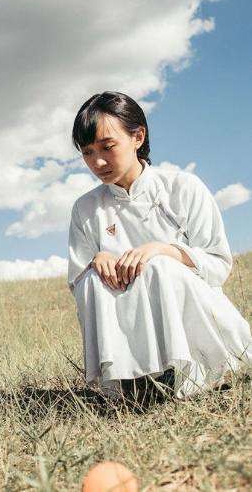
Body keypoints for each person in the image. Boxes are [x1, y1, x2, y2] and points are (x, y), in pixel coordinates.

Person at [67, 91, 251, 400]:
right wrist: (95, 261)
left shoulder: (183, 188)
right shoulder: (85, 209)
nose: (97, 162)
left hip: (198, 323)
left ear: (137, 137)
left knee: (159, 266)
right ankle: (130, 380)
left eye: (107, 147)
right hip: (127, 326)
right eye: (87, 152)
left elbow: (219, 265)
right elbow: (77, 282)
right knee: (93, 279)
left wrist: (164, 250)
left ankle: (185, 372)